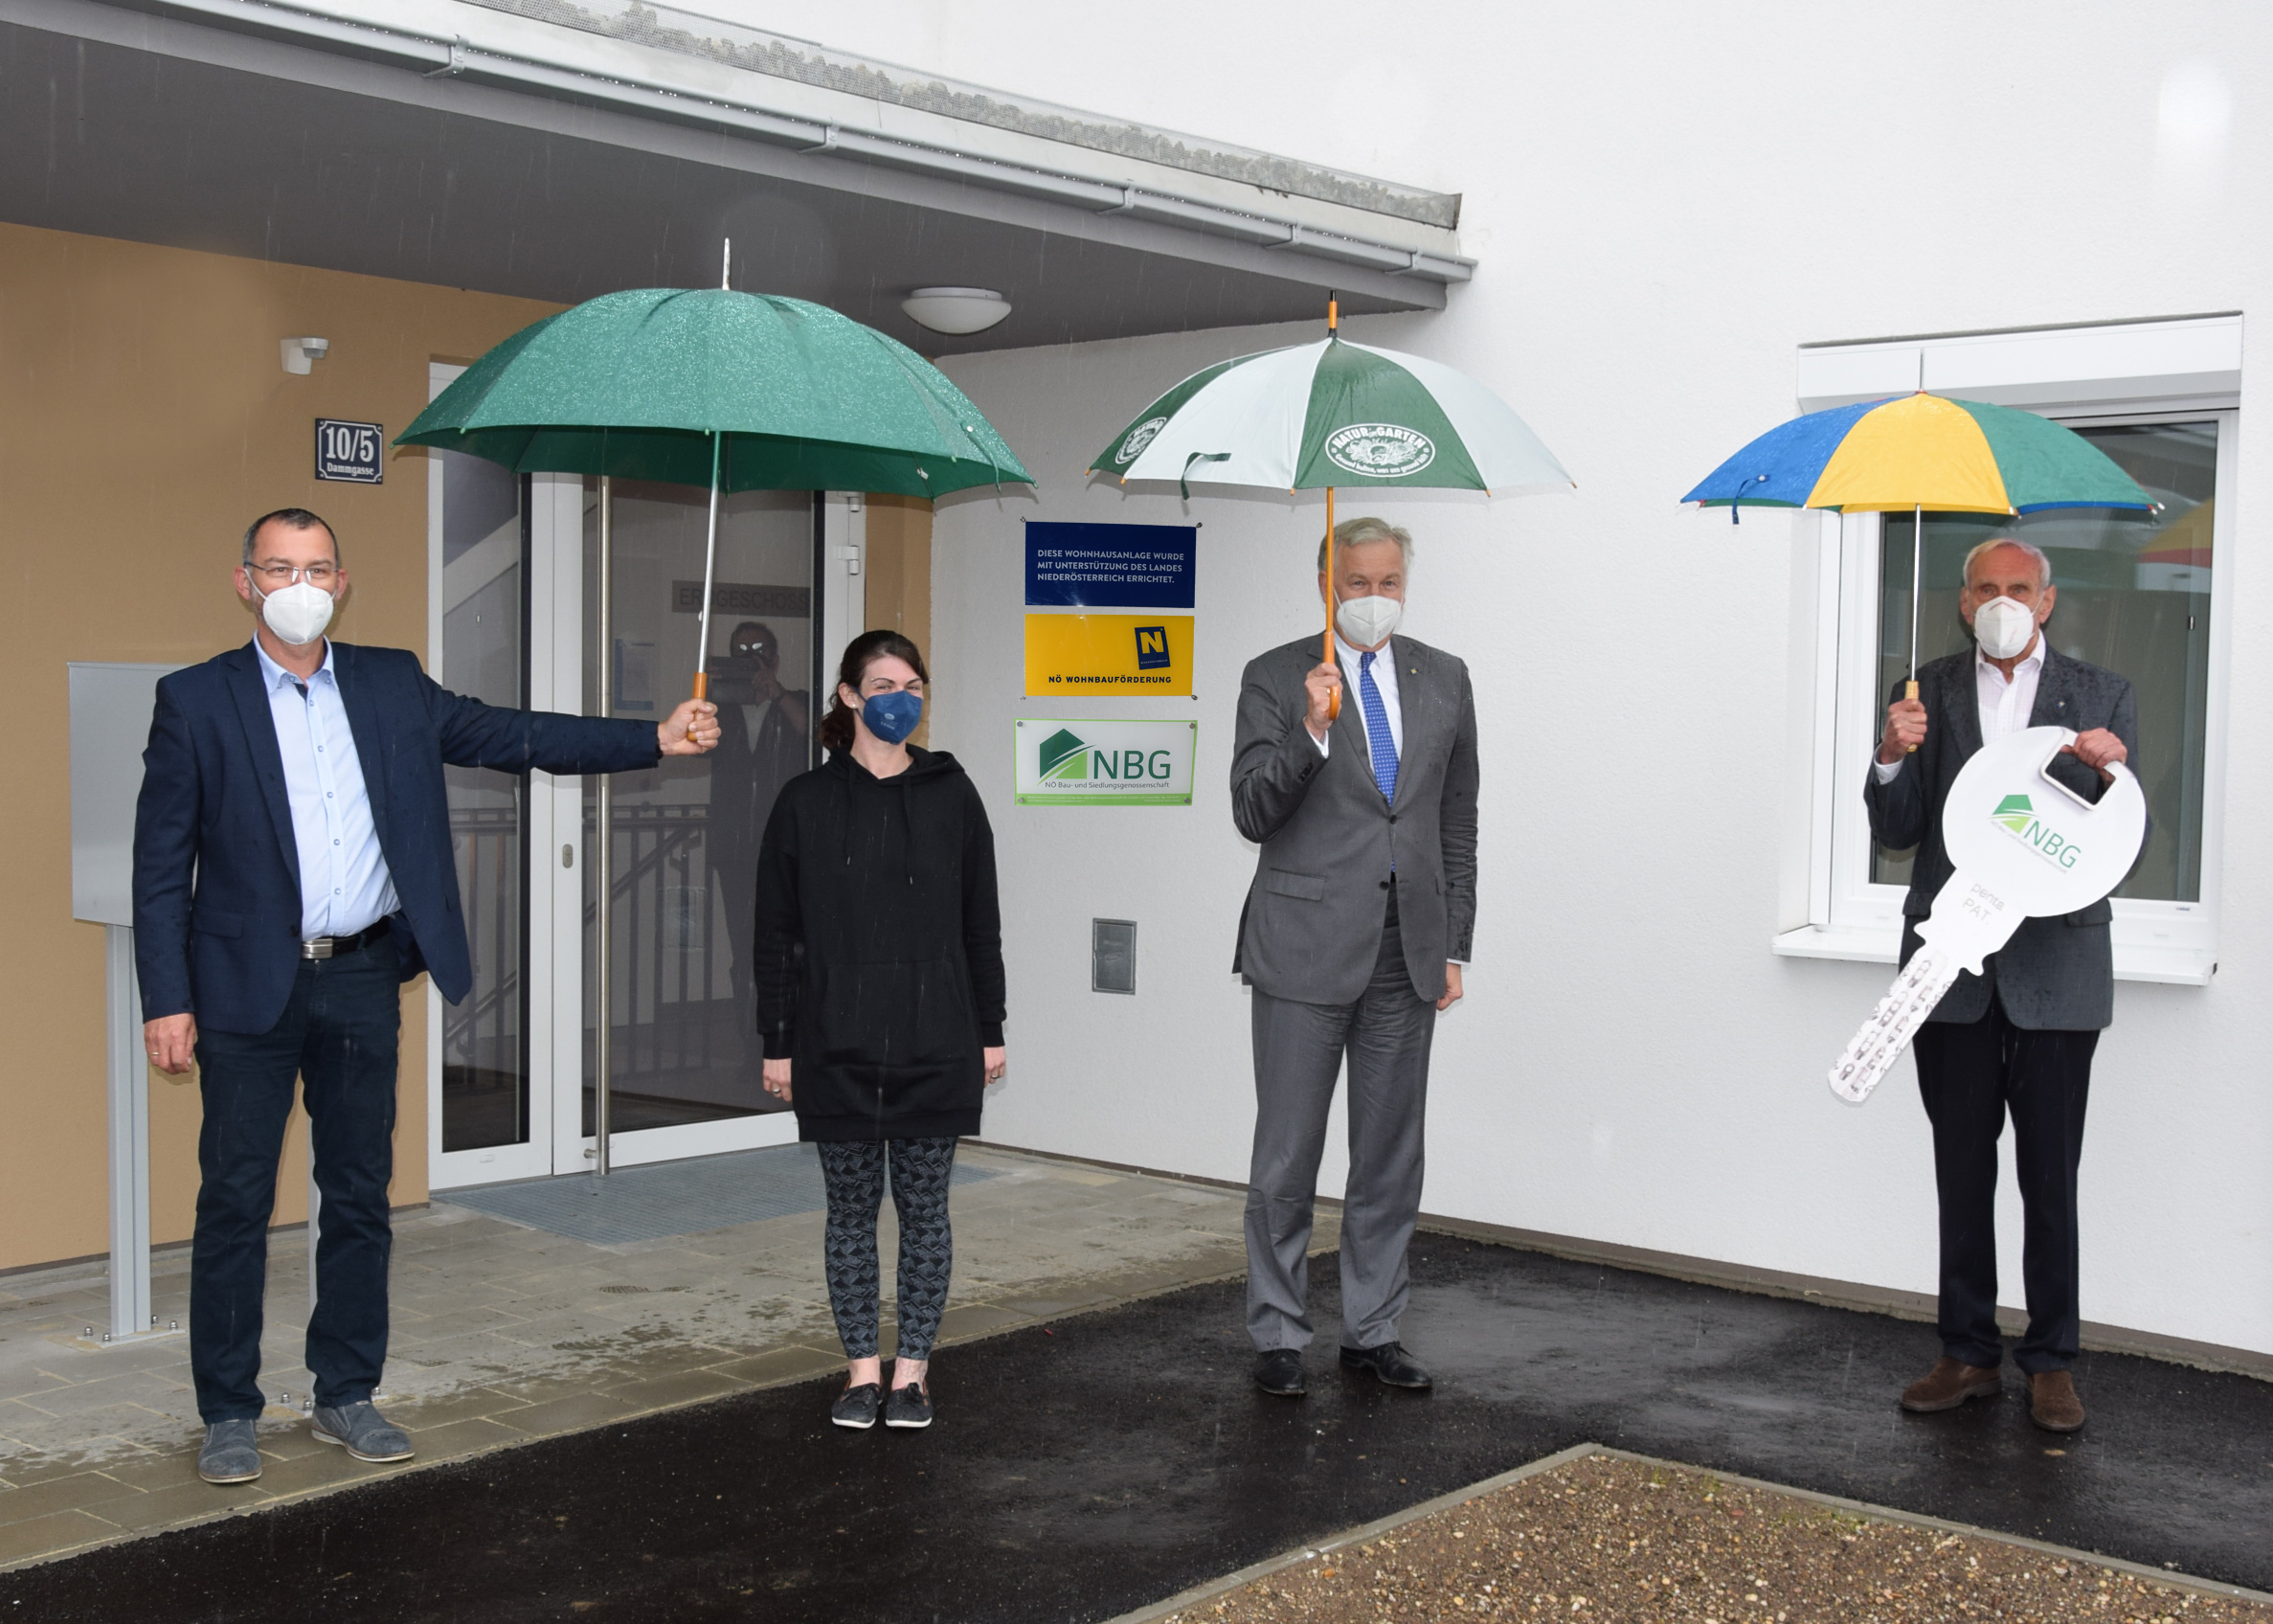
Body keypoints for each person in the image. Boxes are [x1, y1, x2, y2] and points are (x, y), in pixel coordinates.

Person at [135, 508, 720, 1486]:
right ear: (246, 582)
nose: (299, 584)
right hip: (243, 987)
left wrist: (652, 738)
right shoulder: (195, 700)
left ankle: (346, 1391)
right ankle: (229, 1410)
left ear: (342, 581)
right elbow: (161, 865)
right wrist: (167, 997)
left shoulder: (391, 681)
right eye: (279, 567)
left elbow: (511, 733)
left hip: (362, 975)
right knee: (234, 1200)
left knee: (359, 1192)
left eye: (317, 567)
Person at [1866, 535, 2136, 1433]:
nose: (2002, 602)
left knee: (2050, 1177)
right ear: (1962, 600)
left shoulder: (2101, 697)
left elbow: (2114, 846)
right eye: (1986, 587)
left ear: (2047, 601)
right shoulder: (1923, 691)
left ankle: (2051, 1363)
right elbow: (1899, 834)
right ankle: (1967, 1352)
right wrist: (1891, 756)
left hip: (2057, 972)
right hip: (1953, 970)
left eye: (2019, 587)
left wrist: (2108, 773)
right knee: (1960, 1170)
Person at [1229, 516, 1477, 1398]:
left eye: (1388, 582)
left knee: (1389, 1156)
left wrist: (1454, 944)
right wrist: (1311, 729)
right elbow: (1251, 811)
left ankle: (1373, 1330)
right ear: (1325, 585)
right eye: (1357, 583)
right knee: (1287, 1158)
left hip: (1407, 952)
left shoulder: (1444, 677)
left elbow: (1456, 820)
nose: (1375, 598)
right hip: (1302, 949)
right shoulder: (1275, 675)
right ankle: (1278, 1332)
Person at [751, 629, 1006, 1432]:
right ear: (850, 696)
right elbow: (776, 934)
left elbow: (981, 924)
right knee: (851, 1215)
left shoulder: (953, 794)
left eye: (913, 686)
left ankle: (913, 1374)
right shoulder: (804, 802)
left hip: (938, 1039)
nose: (902, 699)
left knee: (926, 1213)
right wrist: (778, 1040)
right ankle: (862, 1371)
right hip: (836, 1043)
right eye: (885, 686)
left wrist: (990, 1029)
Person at [706, 620, 812, 1049]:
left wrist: (778, 693)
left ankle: (791, 1039)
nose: (750, 658)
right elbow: (692, 741)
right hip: (734, 850)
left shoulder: (795, 700)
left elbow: (816, 736)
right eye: (741, 651)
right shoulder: (722, 709)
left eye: (758, 650)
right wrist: (709, 692)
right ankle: (752, 1047)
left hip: (785, 850)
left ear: (775, 658)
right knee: (744, 949)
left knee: (788, 946)